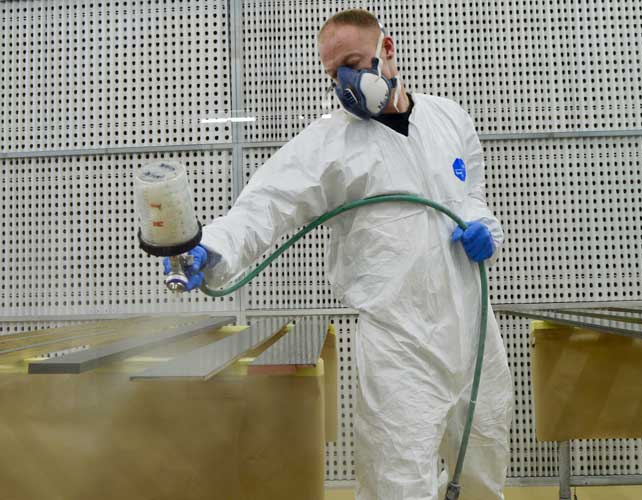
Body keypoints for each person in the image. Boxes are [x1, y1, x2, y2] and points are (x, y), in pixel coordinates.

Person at [165, 9, 514, 500]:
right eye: (333, 74)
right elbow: (268, 204)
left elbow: (471, 191)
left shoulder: (448, 119)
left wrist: (486, 229)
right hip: (400, 342)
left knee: (482, 462)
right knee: (399, 482)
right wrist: (213, 246)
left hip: (475, 328)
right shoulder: (330, 141)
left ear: (386, 49)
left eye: (352, 64)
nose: (345, 84)